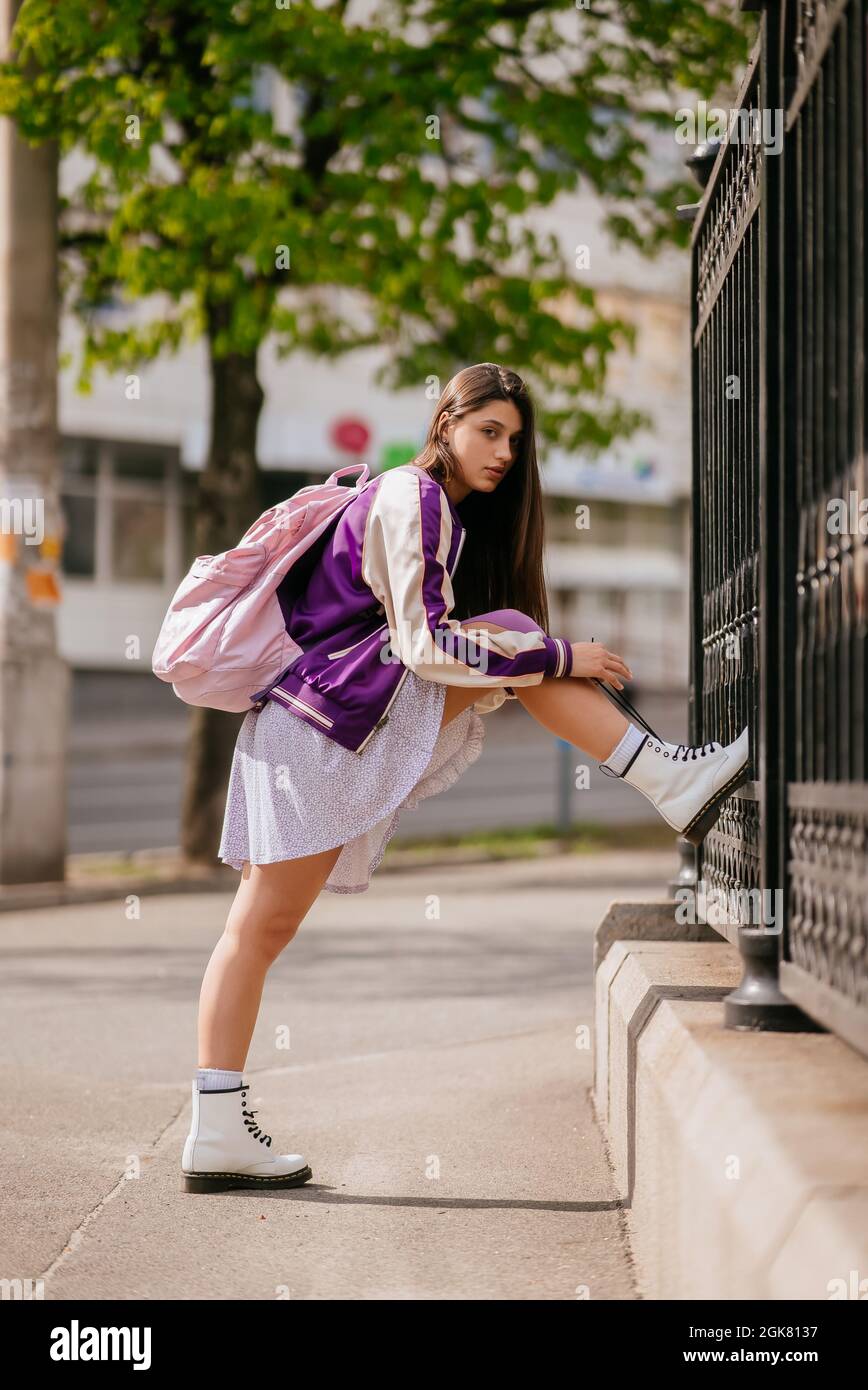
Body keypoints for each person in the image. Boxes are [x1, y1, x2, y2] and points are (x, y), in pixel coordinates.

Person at [181, 362, 749, 1193]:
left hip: (309, 728)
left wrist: (534, 654)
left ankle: (215, 1128)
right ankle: (669, 781)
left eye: (515, 441)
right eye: (489, 431)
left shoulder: (422, 504)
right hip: (319, 733)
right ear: (445, 421)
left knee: (255, 934)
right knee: (522, 641)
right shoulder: (414, 499)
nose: (505, 452)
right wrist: (558, 653)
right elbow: (422, 645)